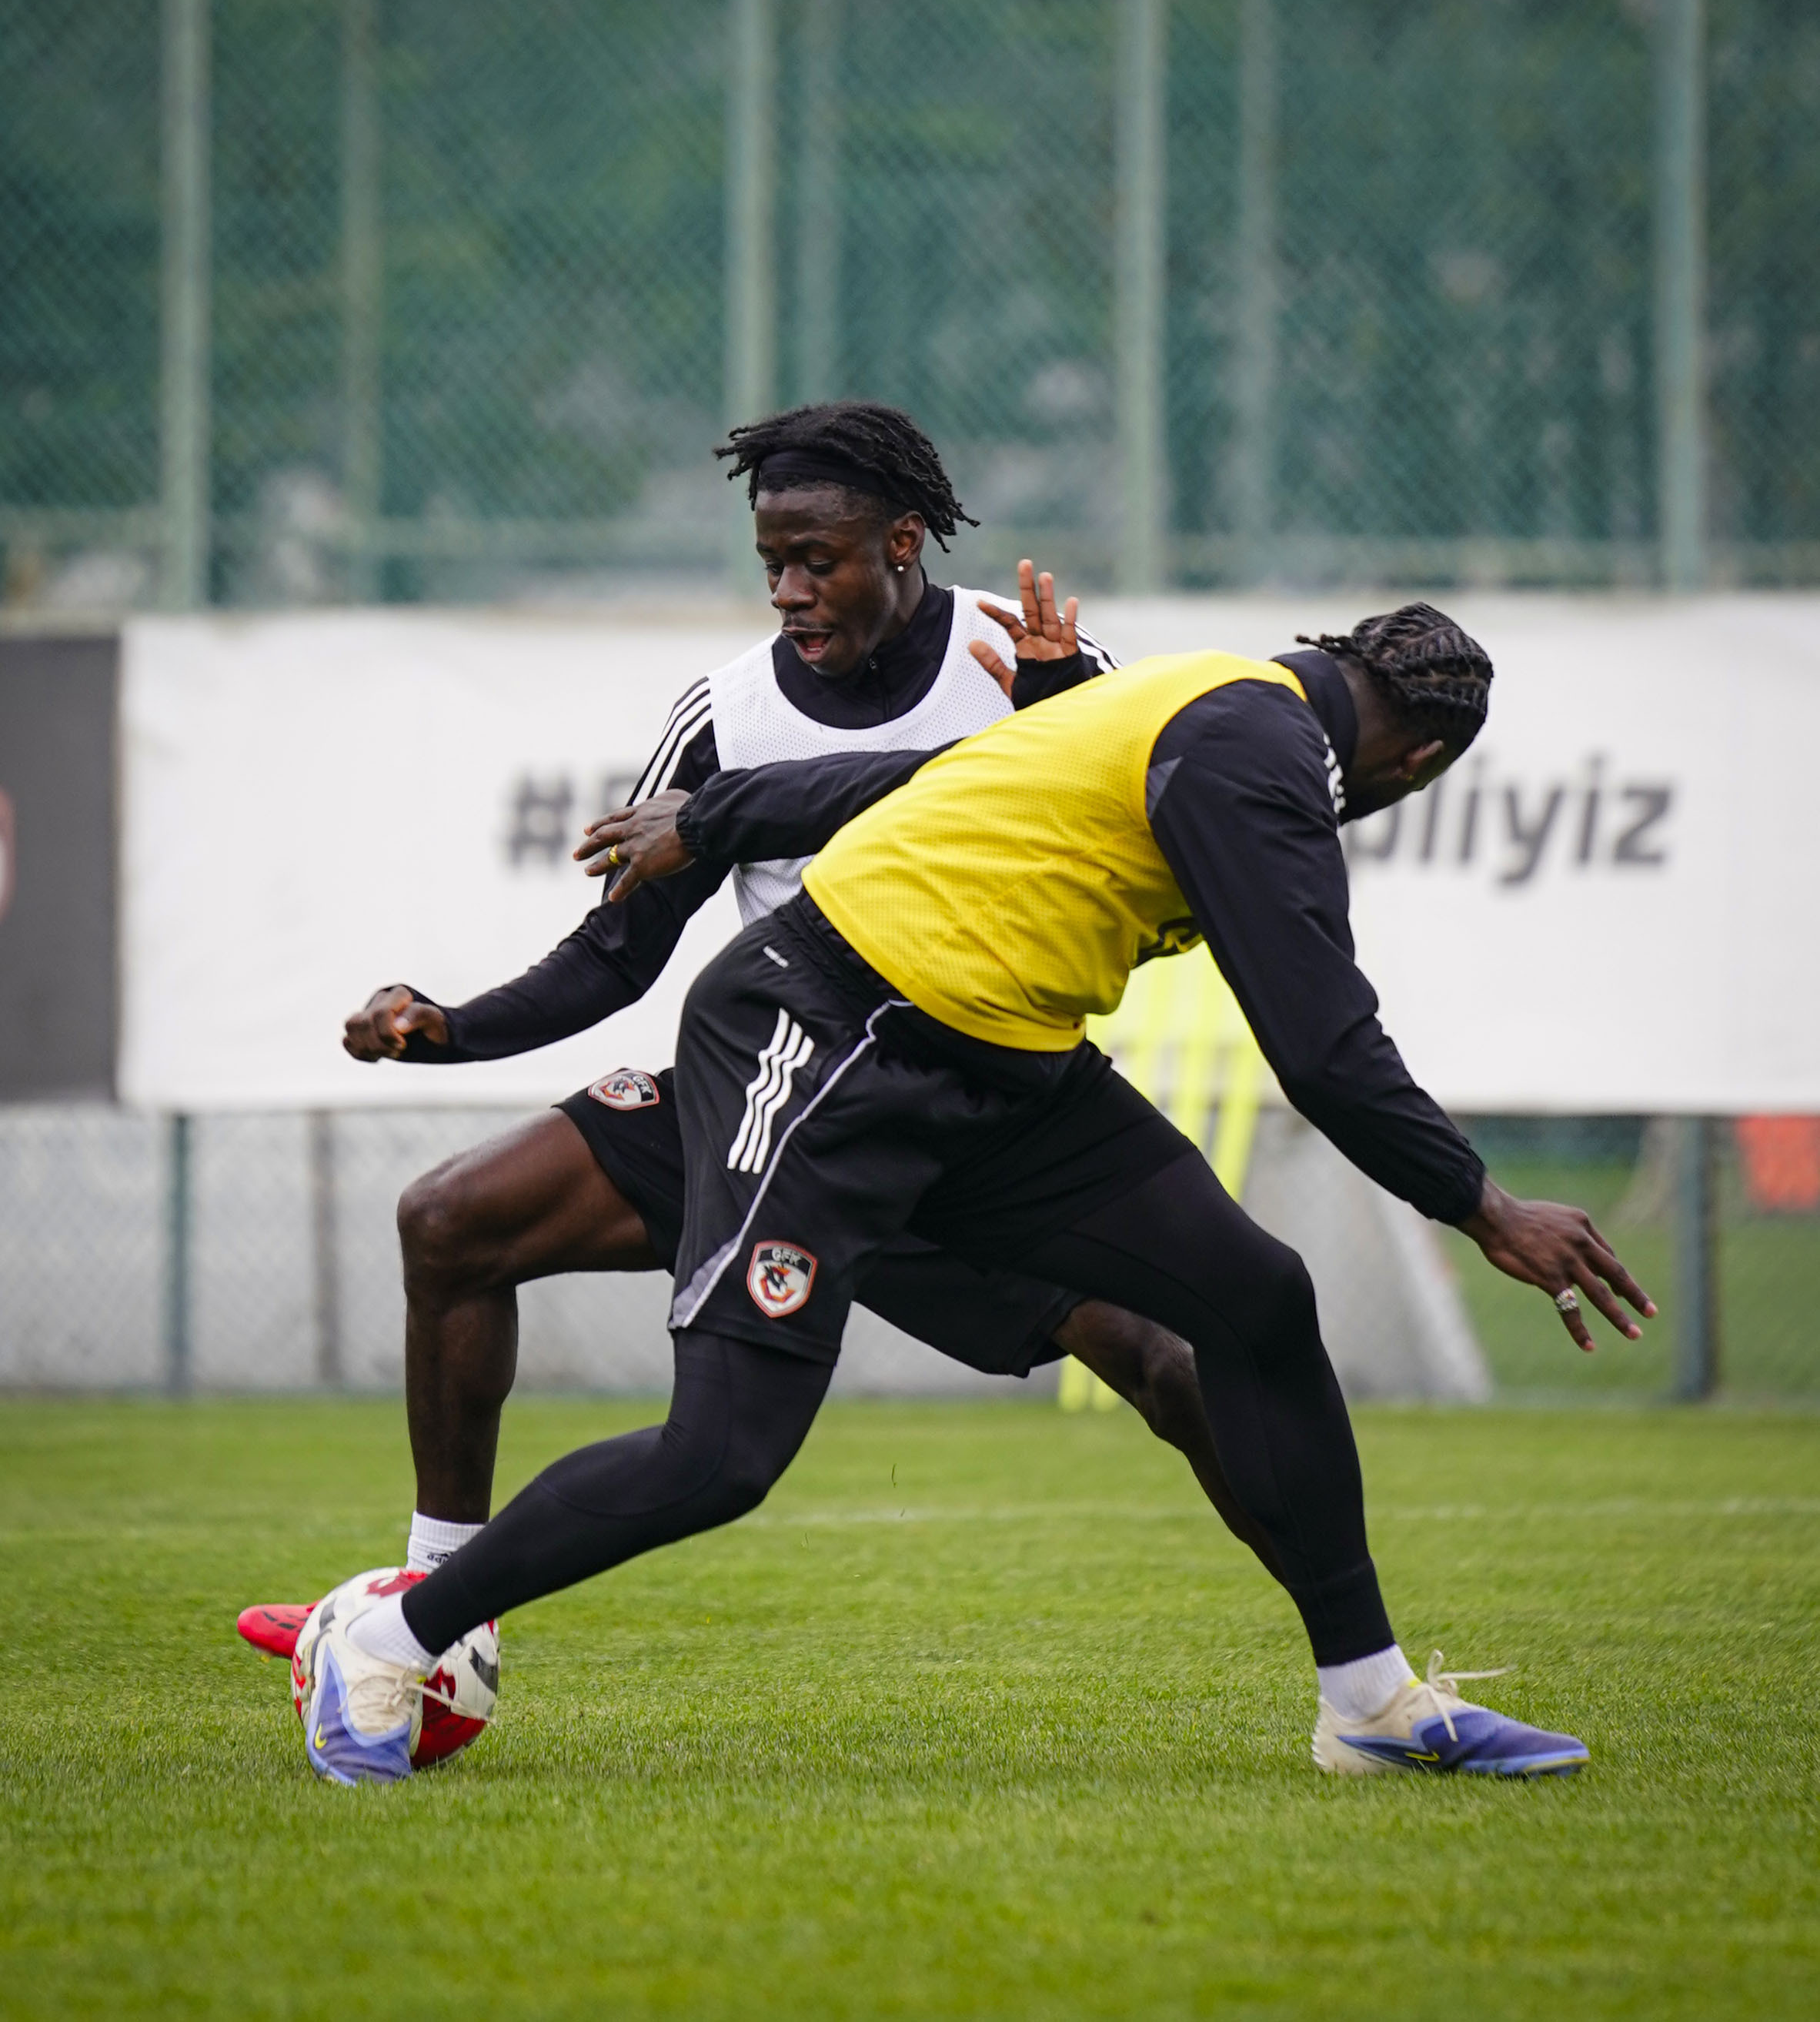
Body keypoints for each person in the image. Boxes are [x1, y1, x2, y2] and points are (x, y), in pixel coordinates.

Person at [304, 600, 1655, 1786]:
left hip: (1001, 1065)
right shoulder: (1260, 753)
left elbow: (922, 775)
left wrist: (716, 815)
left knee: (1255, 1295)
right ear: (1416, 765)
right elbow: (1321, 1046)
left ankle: (1368, 1702)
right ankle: (392, 1633)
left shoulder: (1209, 695)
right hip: (828, 1034)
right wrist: (1484, 1206)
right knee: (719, 1456)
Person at [317, 402, 1267, 1600]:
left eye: (816, 560)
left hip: (968, 1111)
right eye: (771, 563)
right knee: (451, 1219)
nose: (787, 592)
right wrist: (450, 1027)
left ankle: (1361, 1666)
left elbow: (1151, 850)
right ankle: (433, 1607)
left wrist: (1066, 718)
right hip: (767, 1094)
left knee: (1168, 1358)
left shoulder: (1025, 665)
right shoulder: (725, 715)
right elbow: (615, 954)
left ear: (902, 541)